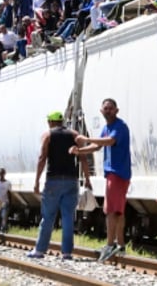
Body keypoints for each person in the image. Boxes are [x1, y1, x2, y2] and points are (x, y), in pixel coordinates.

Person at [71, 98, 132, 262]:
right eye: (105, 108)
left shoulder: (120, 126)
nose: (108, 111)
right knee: (118, 211)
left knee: (111, 211)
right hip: (115, 174)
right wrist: (80, 150)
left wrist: (86, 139)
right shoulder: (107, 127)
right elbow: (98, 146)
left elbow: (109, 141)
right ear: (101, 111)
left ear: (117, 110)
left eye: (111, 108)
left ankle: (110, 244)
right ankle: (120, 245)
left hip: (117, 173)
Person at [28, 111, 92, 260]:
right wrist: (87, 178)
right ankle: (67, 253)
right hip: (72, 180)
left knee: (48, 216)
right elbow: (83, 157)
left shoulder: (48, 135)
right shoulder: (74, 134)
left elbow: (42, 157)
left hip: (53, 180)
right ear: (62, 122)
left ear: (50, 122)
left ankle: (39, 250)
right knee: (68, 217)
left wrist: (37, 180)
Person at [0, 168, 12, 233]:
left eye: (2, 173)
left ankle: (3, 229)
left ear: (4, 174)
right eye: (0, 173)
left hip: (5, 202)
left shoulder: (8, 183)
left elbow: (9, 193)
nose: (1, 175)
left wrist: (10, 202)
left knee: (4, 216)